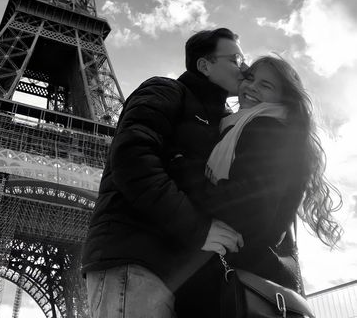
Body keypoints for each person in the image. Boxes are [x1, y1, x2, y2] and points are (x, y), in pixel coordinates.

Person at [81, 27, 248, 318]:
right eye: (235, 59)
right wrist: (198, 229)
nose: (244, 68)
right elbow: (132, 159)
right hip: (137, 260)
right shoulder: (165, 91)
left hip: (182, 272)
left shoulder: (223, 123)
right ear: (204, 64)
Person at [172, 55, 342, 317]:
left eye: (266, 85)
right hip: (247, 281)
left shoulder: (267, 128)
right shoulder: (242, 127)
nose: (251, 87)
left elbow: (249, 206)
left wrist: (184, 169)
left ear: (284, 99)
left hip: (236, 282)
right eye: (250, 78)